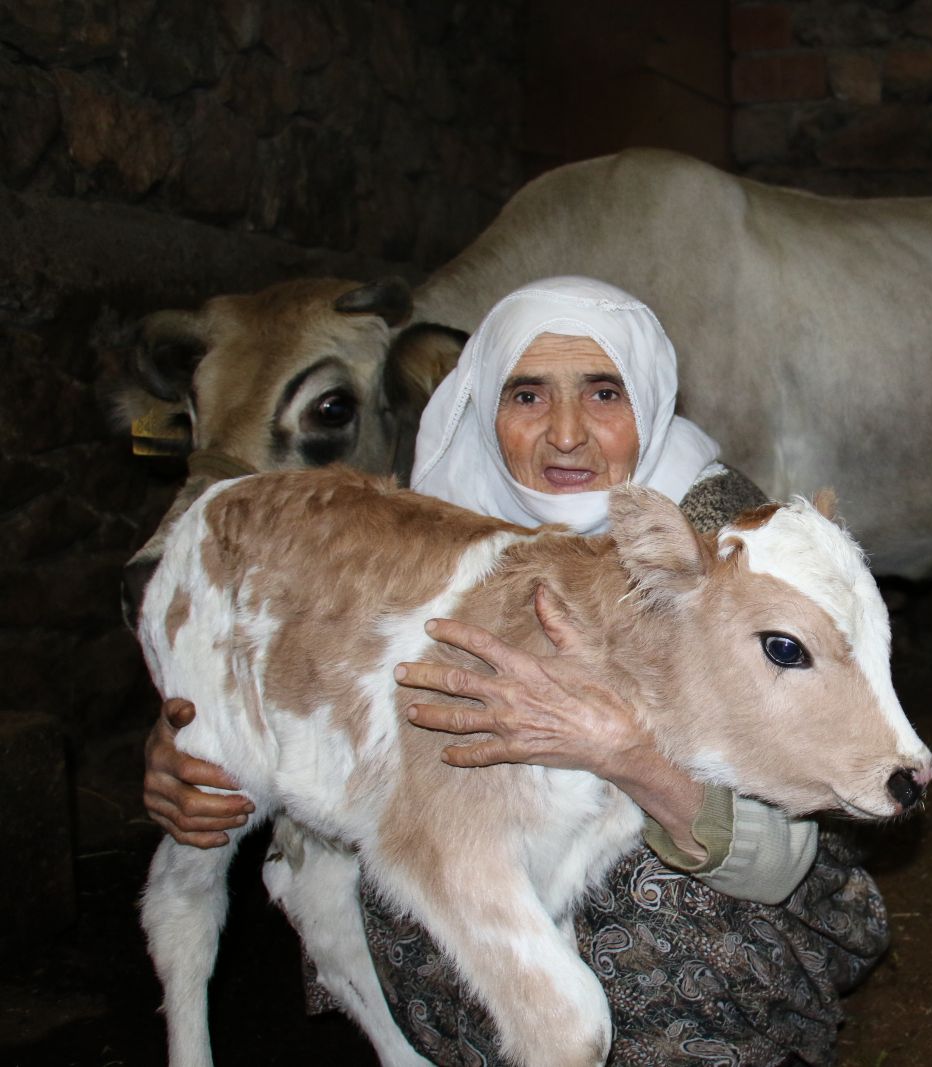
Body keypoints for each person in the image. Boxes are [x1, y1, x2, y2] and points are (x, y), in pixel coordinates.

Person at [142, 276, 891, 1066]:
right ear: (481, 402)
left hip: (728, 890)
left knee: (634, 875)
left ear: (649, 395)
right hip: (490, 871)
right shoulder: (422, 524)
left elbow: (786, 850)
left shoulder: (734, 546)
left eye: (604, 392)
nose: (566, 434)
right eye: (526, 395)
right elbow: (328, 710)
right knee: (433, 850)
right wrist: (197, 745)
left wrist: (628, 754)